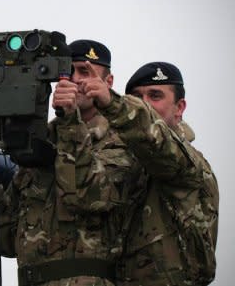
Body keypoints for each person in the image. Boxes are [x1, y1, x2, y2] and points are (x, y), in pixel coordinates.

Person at [0, 40, 146, 286]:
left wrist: (69, 122)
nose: (75, 80)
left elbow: (85, 195)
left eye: (85, 72)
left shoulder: (121, 141)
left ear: (108, 83)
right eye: (68, 71)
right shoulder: (41, 143)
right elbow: (5, 239)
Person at [81, 61, 219, 285]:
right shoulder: (121, 163)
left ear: (180, 107)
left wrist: (114, 104)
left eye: (155, 96)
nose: (144, 104)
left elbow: (156, 141)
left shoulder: (187, 161)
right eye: (136, 97)